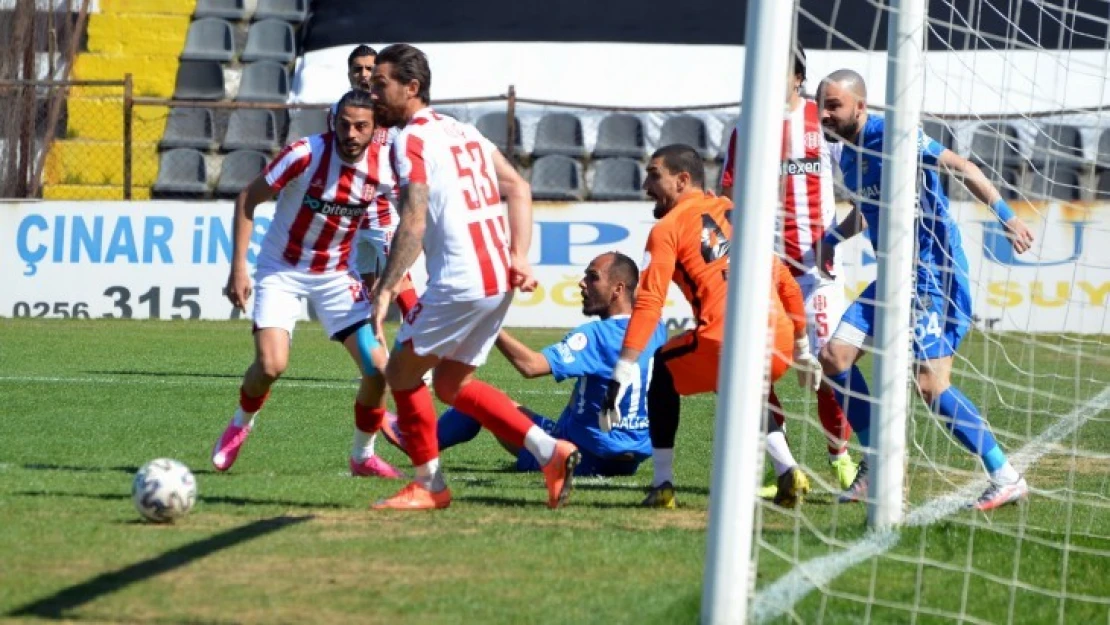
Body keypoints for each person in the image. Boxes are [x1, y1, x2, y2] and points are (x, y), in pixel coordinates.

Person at [366, 43, 580, 511]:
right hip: (496, 280)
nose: (372, 92)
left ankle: (430, 484)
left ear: (412, 87)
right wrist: (519, 255)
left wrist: (386, 287)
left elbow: (415, 219)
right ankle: (550, 451)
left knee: (400, 375)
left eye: (381, 84)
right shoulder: (464, 131)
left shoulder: (409, 140)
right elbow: (519, 187)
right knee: (451, 385)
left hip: (461, 281)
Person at [814, 69, 1036, 510]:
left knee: (931, 386)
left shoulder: (897, 135)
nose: (824, 114)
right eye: (822, 104)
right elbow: (868, 209)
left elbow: (964, 166)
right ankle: (877, 464)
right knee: (833, 357)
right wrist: (834, 238)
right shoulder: (846, 155)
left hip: (933, 274)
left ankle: (1006, 476)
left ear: (861, 106)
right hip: (891, 276)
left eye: (834, 105)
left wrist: (1007, 216)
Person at [601, 144, 822, 509]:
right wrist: (801, 347)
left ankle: (663, 485)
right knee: (746, 380)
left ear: (682, 179)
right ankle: (788, 472)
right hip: (778, 338)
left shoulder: (667, 228)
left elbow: (650, 301)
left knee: (664, 373)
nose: (645, 185)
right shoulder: (737, 213)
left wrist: (623, 368)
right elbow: (784, 279)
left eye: (654, 175)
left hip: (726, 338)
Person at [211, 89, 402, 480]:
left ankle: (362, 456)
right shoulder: (304, 153)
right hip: (282, 269)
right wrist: (238, 269)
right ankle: (241, 423)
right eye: (345, 124)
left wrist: (392, 275)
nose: (351, 133)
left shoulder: (384, 166)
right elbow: (248, 197)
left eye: (361, 126)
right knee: (271, 364)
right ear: (334, 122)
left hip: (336, 275)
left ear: (374, 129)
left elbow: (405, 219)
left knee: (378, 369)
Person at [382, 252, 667, 477]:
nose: (582, 283)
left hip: (584, 456)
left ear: (618, 289)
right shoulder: (657, 328)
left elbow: (530, 366)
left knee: (478, 401)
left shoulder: (594, 336)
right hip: (631, 459)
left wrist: (487, 323)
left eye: (592, 278)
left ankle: (415, 440)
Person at [721, 42, 857, 496]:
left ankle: (841, 458)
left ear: (799, 76)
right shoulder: (747, 128)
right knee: (752, 368)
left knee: (827, 365)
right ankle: (782, 469)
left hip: (815, 271)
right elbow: (728, 197)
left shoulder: (824, 121)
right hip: (764, 273)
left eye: (780, 70)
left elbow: (860, 180)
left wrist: (837, 237)